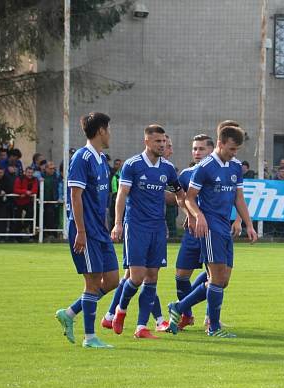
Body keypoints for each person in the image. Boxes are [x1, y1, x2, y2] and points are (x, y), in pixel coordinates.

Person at [168, 125, 258, 337]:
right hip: (210, 227)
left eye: (236, 150)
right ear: (220, 143)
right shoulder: (205, 167)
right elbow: (189, 198)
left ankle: (178, 307)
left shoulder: (235, 167)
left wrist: (249, 224)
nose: (234, 154)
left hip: (225, 226)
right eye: (231, 149)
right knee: (216, 278)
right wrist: (198, 216)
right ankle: (214, 327)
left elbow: (239, 198)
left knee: (222, 280)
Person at [107, 124, 183, 339]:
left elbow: (178, 192)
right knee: (136, 276)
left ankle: (141, 327)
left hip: (158, 227)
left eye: (163, 141)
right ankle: (120, 310)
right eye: (158, 141)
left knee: (152, 277)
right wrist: (118, 223)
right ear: (147, 141)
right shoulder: (132, 165)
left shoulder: (167, 168)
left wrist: (189, 210)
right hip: (136, 226)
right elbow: (122, 195)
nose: (162, 145)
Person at [53, 112, 120, 349]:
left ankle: (70, 313)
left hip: (99, 231)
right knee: (92, 283)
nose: (110, 134)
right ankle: (89, 338)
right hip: (86, 231)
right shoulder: (82, 158)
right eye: (108, 129)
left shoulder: (101, 159)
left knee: (112, 280)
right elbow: (75, 195)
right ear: (101, 131)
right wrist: (80, 231)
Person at [169, 133, 216, 330]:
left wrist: (238, 220)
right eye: (194, 149)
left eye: (201, 149)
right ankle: (186, 315)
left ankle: (210, 318)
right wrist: (188, 213)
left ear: (211, 150)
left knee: (214, 277)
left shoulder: (218, 172)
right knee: (181, 276)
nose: (197, 152)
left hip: (212, 230)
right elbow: (180, 197)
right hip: (191, 232)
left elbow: (234, 197)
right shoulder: (186, 174)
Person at [13, 166, 39, 237]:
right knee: (17, 218)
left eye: (31, 173)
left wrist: (25, 193)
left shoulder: (35, 179)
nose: (30, 174)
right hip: (18, 202)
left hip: (28, 202)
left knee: (30, 215)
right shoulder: (19, 179)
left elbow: (35, 190)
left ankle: (24, 229)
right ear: (25, 172)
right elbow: (15, 189)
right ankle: (17, 235)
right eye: (28, 172)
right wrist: (25, 192)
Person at [42, 161, 61, 233]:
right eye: (50, 168)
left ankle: (53, 233)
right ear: (46, 169)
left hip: (54, 201)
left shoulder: (56, 177)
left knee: (54, 217)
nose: (52, 170)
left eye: (53, 168)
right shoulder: (41, 176)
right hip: (43, 201)